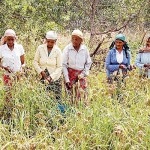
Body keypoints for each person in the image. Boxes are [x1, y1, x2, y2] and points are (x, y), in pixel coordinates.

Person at [33, 31, 65, 113]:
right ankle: (44, 114)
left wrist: (51, 77)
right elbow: (35, 62)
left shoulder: (58, 51)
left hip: (54, 78)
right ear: (46, 40)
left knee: (57, 98)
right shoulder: (40, 48)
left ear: (55, 41)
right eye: (48, 41)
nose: (50, 43)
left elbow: (59, 67)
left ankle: (60, 116)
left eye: (52, 42)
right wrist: (40, 71)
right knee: (43, 97)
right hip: (42, 77)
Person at [62, 29, 92, 104]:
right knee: (69, 94)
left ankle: (80, 109)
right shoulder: (67, 48)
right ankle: (70, 109)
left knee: (82, 92)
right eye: (73, 38)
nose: (74, 41)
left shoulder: (84, 49)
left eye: (77, 39)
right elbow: (64, 64)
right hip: (70, 73)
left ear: (81, 40)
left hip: (81, 74)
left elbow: (88, 63)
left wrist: (83, 74)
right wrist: (67, 79)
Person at [0, 29, 25, 102]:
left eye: (12, 39)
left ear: (15, 38)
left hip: (18, 75)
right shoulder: (1, 49)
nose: (10, 41)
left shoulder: (19, 47)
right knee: (8, 94)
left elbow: (23, 63)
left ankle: (18, 110)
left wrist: (21, 70)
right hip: (7, 75)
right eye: (8, 39)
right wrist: (4, 68)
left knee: (18, 93)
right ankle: (9, 110)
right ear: (5, 39)